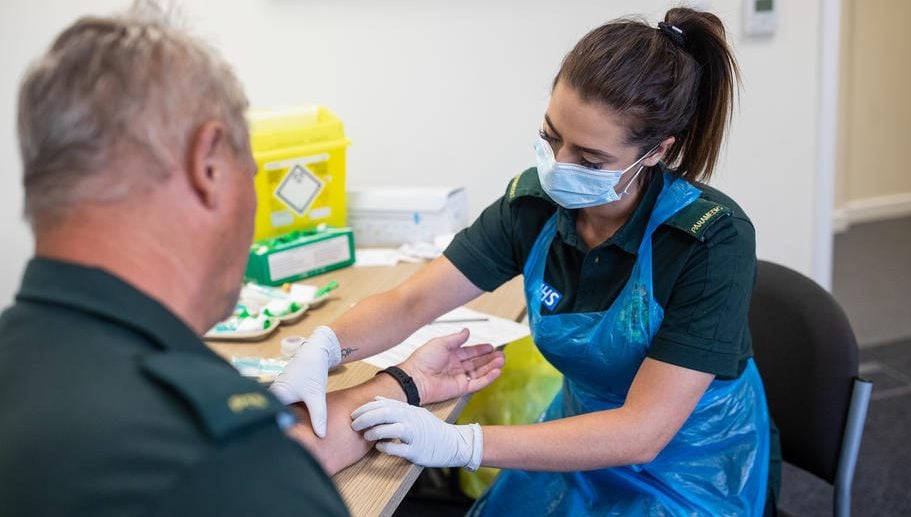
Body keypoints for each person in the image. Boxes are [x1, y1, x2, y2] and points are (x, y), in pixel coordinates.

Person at [0, 2, 503, 515]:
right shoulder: (226, 464)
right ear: (209, 167)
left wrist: (401, 384)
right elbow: (240, 464)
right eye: (252, 168)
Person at [276, 7, 781, 516]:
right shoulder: (534, 205)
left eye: (588, 160)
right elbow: (412, 301)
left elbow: (642, 432)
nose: (558, 167)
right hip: (577, 433)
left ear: (655, 151)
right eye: (550, 136)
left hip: (689, 463)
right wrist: (326, 346)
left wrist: (465, 445)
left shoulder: (709, 242)